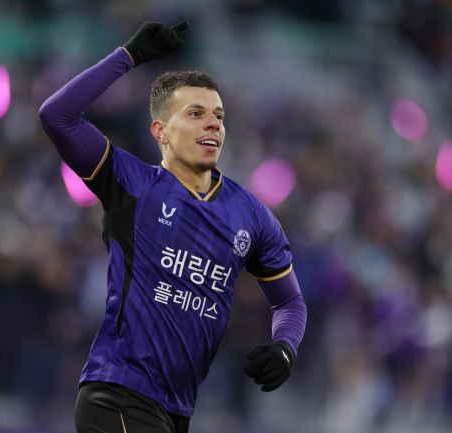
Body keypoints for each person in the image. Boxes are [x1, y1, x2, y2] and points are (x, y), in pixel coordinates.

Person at [39, 21, 307, 433]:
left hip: (176, 410)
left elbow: (289, 302)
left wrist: (285, 348)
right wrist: (129, 56)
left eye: (218, 116)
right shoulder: (132, 184)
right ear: (160, 131)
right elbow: (57, 116)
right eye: (195, 114)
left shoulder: (253, 216)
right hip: (117, 394)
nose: (212, 124)